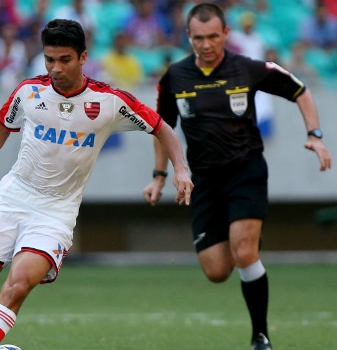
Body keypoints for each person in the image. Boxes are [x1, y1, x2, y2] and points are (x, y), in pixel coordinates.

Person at [0, 18, 193, 350]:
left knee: (17, 287)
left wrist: (180, 170)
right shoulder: (29, 92)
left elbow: (160, 126)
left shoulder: (109, 102)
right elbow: (3, 126)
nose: (56, 68)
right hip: (13, 198)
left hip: (55, 212)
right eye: (49, 59)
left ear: (83, 57)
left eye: (64, 60)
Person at [142, 3, 333, 350]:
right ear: (188, 36)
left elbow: (300, 90)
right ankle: (244, 240)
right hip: (204, 180)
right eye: (198, 37)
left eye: (213, 36)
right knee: (216, 271)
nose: (206, 44)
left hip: (246, 170)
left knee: (244, 252)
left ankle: (260, 336)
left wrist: (315, 135)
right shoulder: (175, 76)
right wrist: (158, 175)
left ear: (226, 33)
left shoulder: (248, 68)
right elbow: (162, 128)